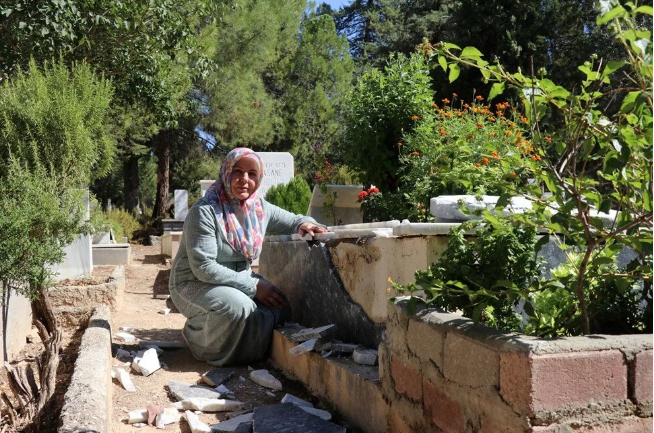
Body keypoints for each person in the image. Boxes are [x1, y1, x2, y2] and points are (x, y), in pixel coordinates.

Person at [169, 147, 327, 366]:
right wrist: (254, 287)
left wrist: (307, 223)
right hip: (193, 283)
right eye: (237, 172)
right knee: (237, 307)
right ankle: (200, 341)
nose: (244, 179)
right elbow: (204, 267)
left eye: (252, 174)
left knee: (280, 307)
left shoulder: (259, 208)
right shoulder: (204, 212)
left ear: (259, 178)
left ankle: (246, 351)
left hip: (237, 279)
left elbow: (293, 220)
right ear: (226, 172)